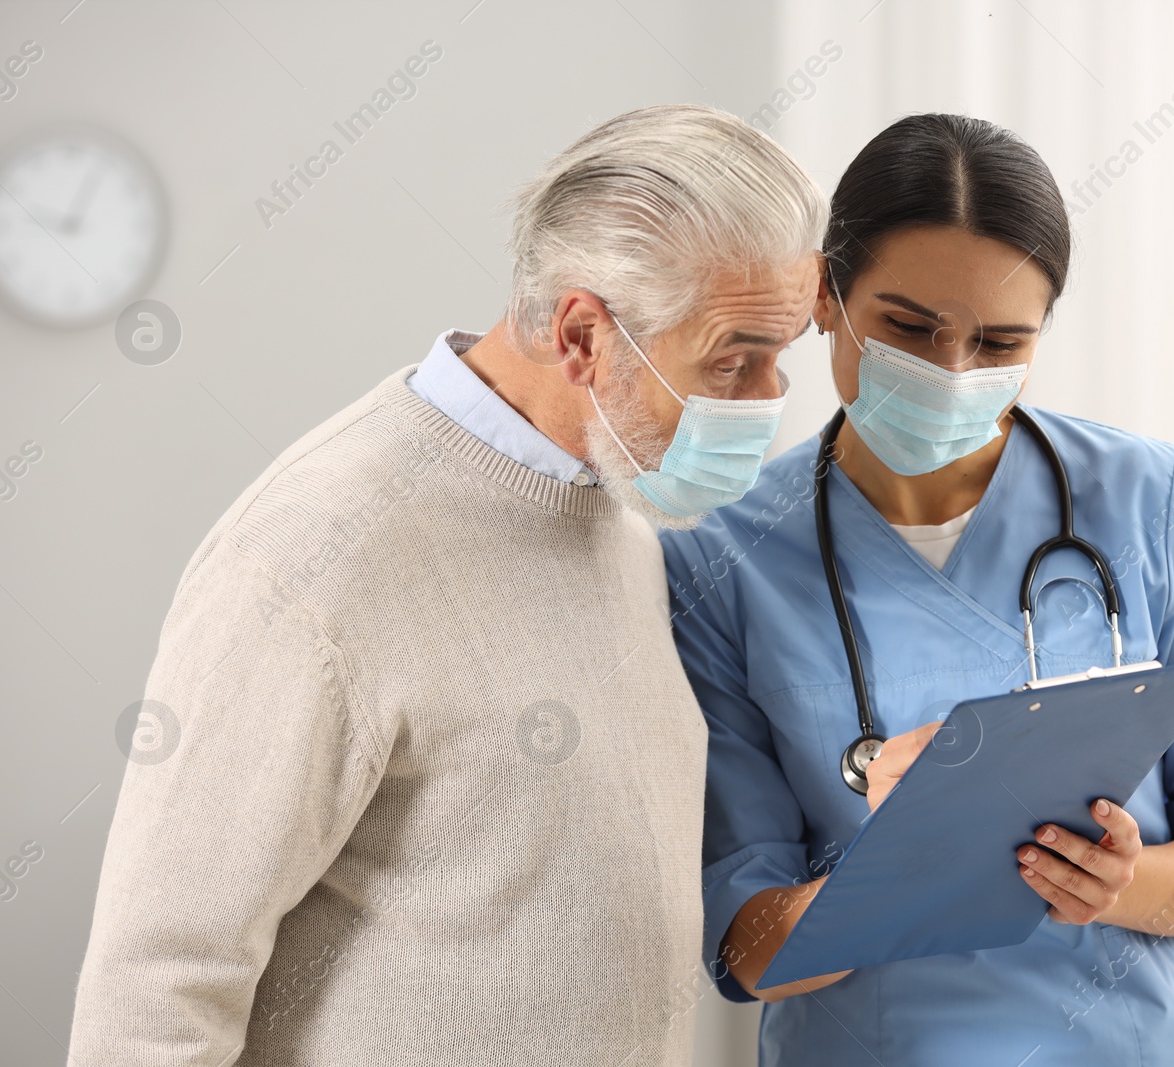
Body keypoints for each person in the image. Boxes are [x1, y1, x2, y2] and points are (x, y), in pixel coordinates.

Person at [68, 104, 825, 1067]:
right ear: (584, 334)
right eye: (733, 358)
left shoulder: (617, 501)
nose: (768, 400)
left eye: (780, 356)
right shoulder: (316, 554)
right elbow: (156, 986)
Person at [661, 113, 1174, 1065]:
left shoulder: (1145, 498)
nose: (950, 370)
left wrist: (1120, 883)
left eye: (1000, 342)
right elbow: (745, 942)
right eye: (909, 327)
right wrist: (898, 862)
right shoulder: (722, 553)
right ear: (823, 297)